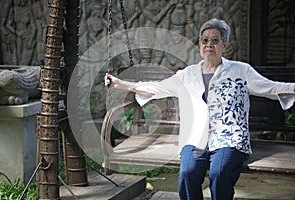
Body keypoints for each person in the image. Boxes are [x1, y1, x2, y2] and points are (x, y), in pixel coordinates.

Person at [104, 18, 295, 200]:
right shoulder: (188, 74)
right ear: (200, 44)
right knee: (187, 173)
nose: (209, 44)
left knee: (219, 173)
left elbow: (271, 87)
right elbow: (157, 88)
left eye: (215, 40)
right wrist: (120, 83)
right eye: (205, 40)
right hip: (196, 136)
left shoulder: (240, 71)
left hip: (229, 137)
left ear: (224, 45)